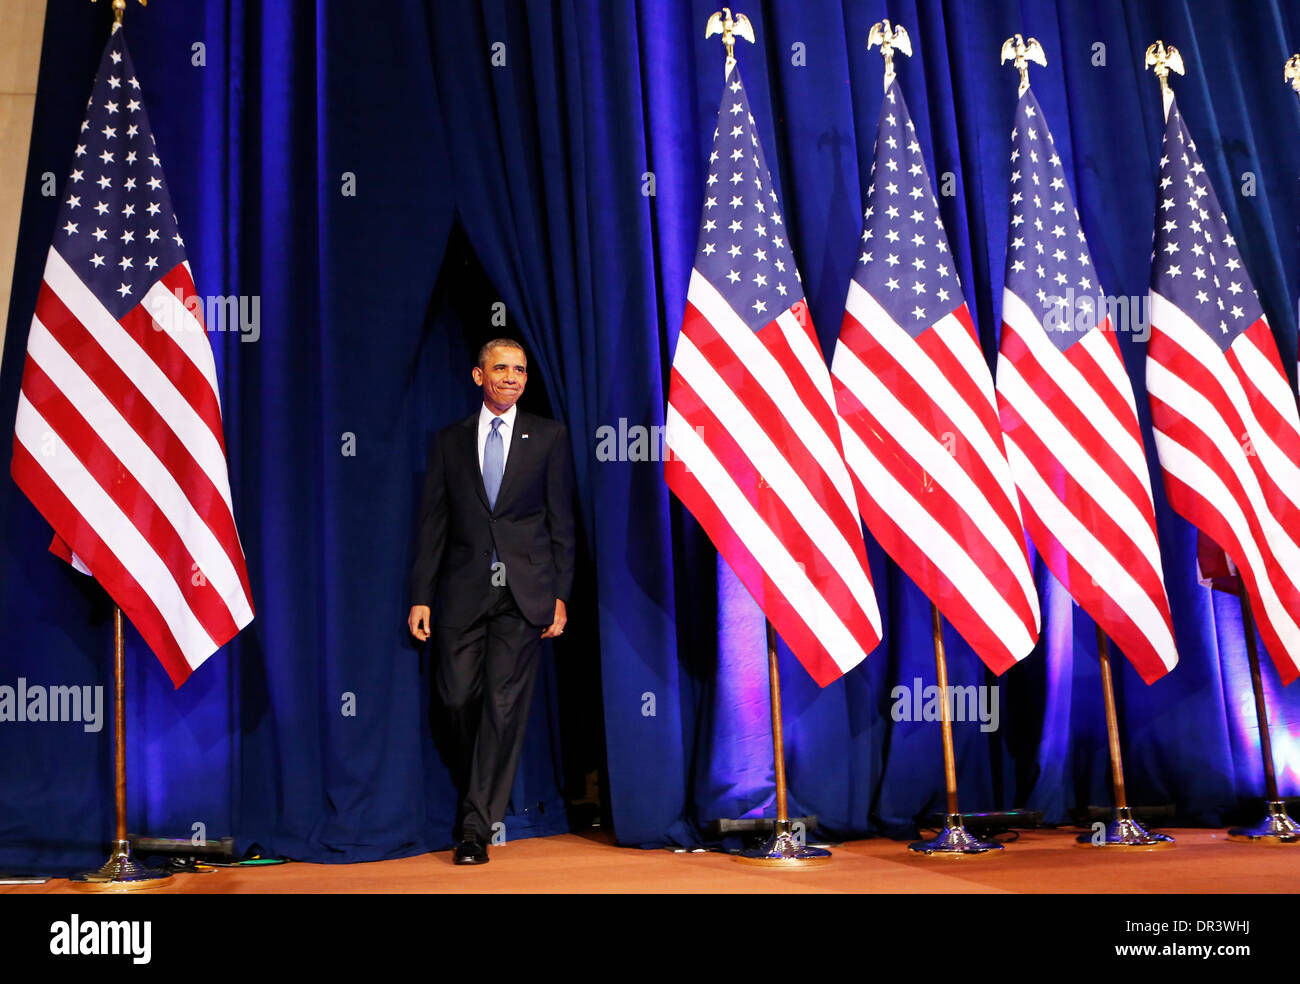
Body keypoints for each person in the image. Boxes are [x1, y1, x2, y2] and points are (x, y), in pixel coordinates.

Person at [407, 338, 574, 865]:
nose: (511, 377)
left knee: (503, 709)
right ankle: (476, 785)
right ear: (479, 375)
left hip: (525, 596)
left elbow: (560, 525)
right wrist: (421, 596)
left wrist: (560, 597)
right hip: (461, 594)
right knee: (456, 699)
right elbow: (432, 525)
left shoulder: (548, 436)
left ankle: (475, 827)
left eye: (520, 370)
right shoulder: (449, 442)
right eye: (500, 368)